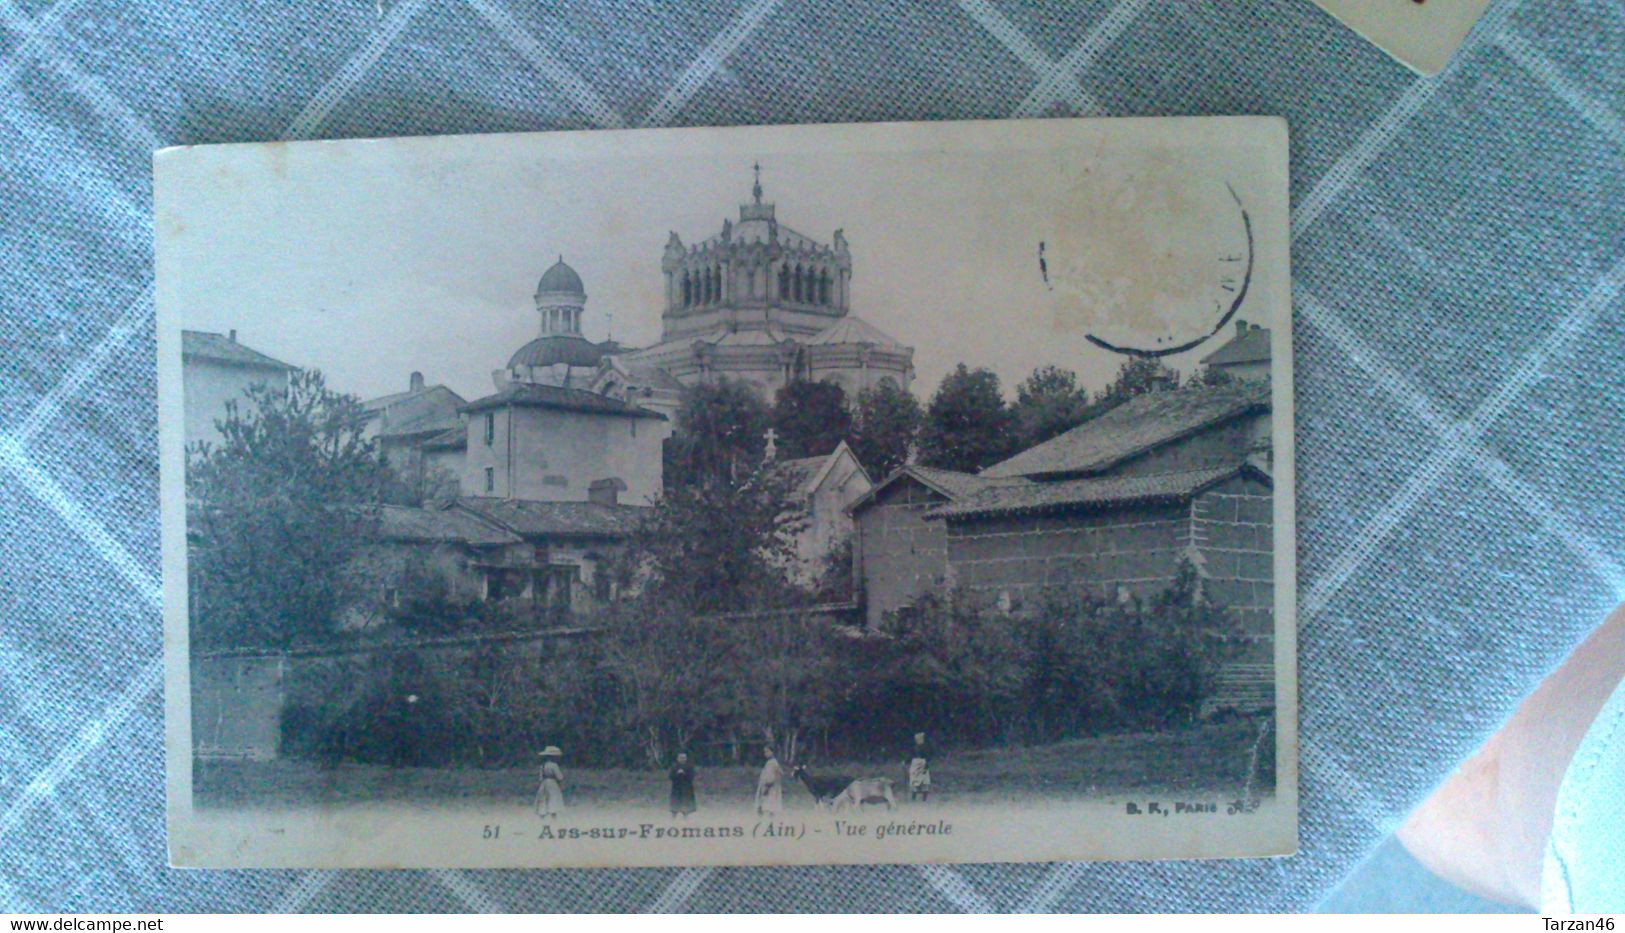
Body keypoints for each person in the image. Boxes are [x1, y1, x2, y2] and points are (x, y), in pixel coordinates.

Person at [535, 746, 565, 820]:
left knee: (543, 798)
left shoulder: (543, 765)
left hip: (544, 783)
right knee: (553, 798)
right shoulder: (554, 765)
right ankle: (553, 817)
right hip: (552, 783)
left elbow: (540, 777)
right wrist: (561, 783)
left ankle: (542, 816)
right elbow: (559, 776)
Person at [755, 745, 783, 817]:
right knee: (770, 808)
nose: (765, 754)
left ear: (772, 752)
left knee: (769, 808)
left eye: (767, 751)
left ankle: (770, 824)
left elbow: (771, 778)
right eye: (764, 752)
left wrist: (766, 789)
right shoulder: (770, 762)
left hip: (770, 789)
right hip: (770, 788)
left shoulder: (772, 763)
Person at [668, 751, 697, 818]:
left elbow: (692, 776)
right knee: (675, 803)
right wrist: (677, 774)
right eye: (681, 758)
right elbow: (670, 777)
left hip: (687, 788)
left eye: (684, 758)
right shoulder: (674, 766)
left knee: (686, 803)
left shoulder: (689, 766)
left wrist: (685, 774)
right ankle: (673, 816)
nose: (683, 759)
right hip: (676, 788)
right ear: (677, 758)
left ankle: (686, 816)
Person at [907, 732, 932, 803]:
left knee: (924, 780)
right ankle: (914, 796)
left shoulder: (926, 747)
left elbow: (928, 756)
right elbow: (911, 755)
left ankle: (924, 797)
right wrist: (906, 761)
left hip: (923, 763)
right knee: (914, 780)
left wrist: (926, 764)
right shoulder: (914, 747)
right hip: (914, 764)